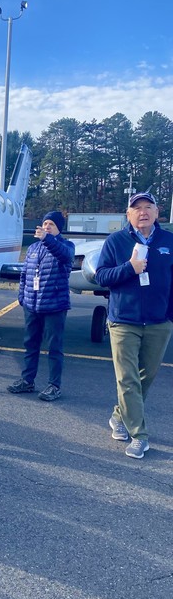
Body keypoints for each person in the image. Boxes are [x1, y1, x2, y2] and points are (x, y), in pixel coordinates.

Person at [95, 192, 173, 459]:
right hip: (123, 322)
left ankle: (119, 416)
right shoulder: (116, 241)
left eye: (148, 207)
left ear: (157, 212)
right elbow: (102, 277)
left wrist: (169, 317)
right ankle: (140, 435)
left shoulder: (168, 242)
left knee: (145, 377)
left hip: (159, 323)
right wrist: (129, 268)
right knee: (127, 379)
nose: (143, 212)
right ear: (128, 214)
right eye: (137, 208)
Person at [7, 210, 74, 401]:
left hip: (54, 305)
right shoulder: (34, 248)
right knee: (30, 344)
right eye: (44, 224)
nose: (46, 227)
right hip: (32, 305)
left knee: (54, 347)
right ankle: (27, 381)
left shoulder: (65, 245)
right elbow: (25, 274)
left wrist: (48, 239)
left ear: (58, 228)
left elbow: (66, 257)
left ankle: (54, 385)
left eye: (51, 224)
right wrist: (22, 296)